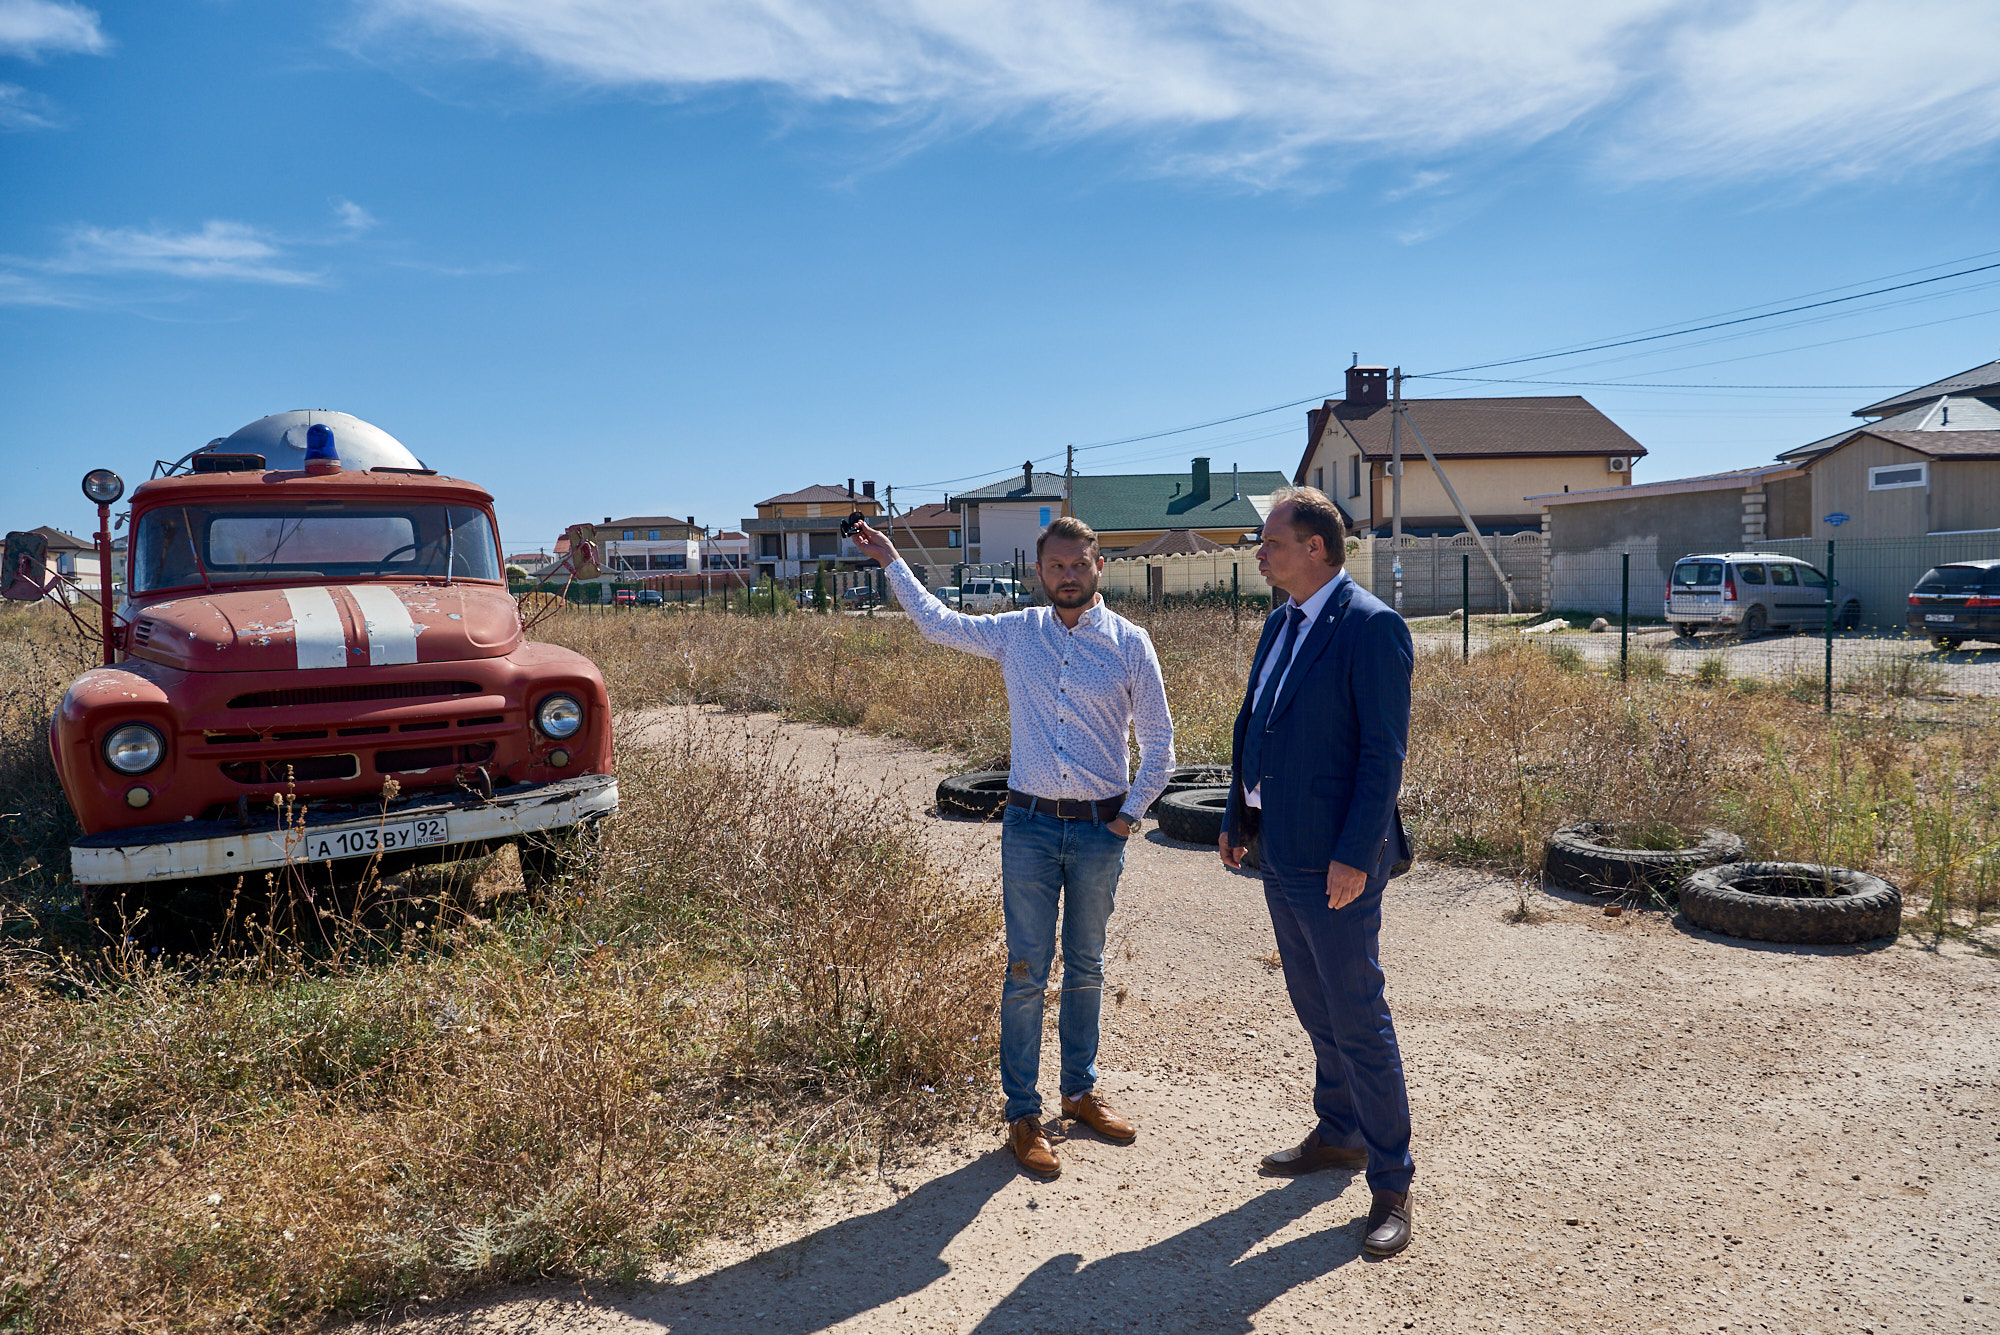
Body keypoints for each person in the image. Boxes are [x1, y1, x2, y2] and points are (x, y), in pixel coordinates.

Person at [851, 514, 1175, 1180]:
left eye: (1078, 564)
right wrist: (889, 558)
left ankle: (1079, 1093)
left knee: (1086, 964)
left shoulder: (1130, 643)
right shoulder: (1016, 632)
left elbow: (1162, 747)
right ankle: (1023, 1113)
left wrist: (1127, 819)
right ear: (1039, 570)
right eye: (1055, 565)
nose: (1066, 575)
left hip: (1098, 830)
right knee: (1027, 969)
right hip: (1028, 827)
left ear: (1099, 567)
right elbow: (937, 620)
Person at [1218, 485, 1418, 1258]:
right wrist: (1238, 814)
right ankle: (1339, 1133)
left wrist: (1355, 856)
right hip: (1279, 849)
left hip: (1337, 860)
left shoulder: (1372, 627)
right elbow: (1253, 720)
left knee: (1358, 1013)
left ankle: (1393, 1179)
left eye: (1270, 540)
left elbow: (1382, 755)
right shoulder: (1279, 623)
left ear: (1315, 548)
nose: (1259, 551)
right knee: (1314, 1003)